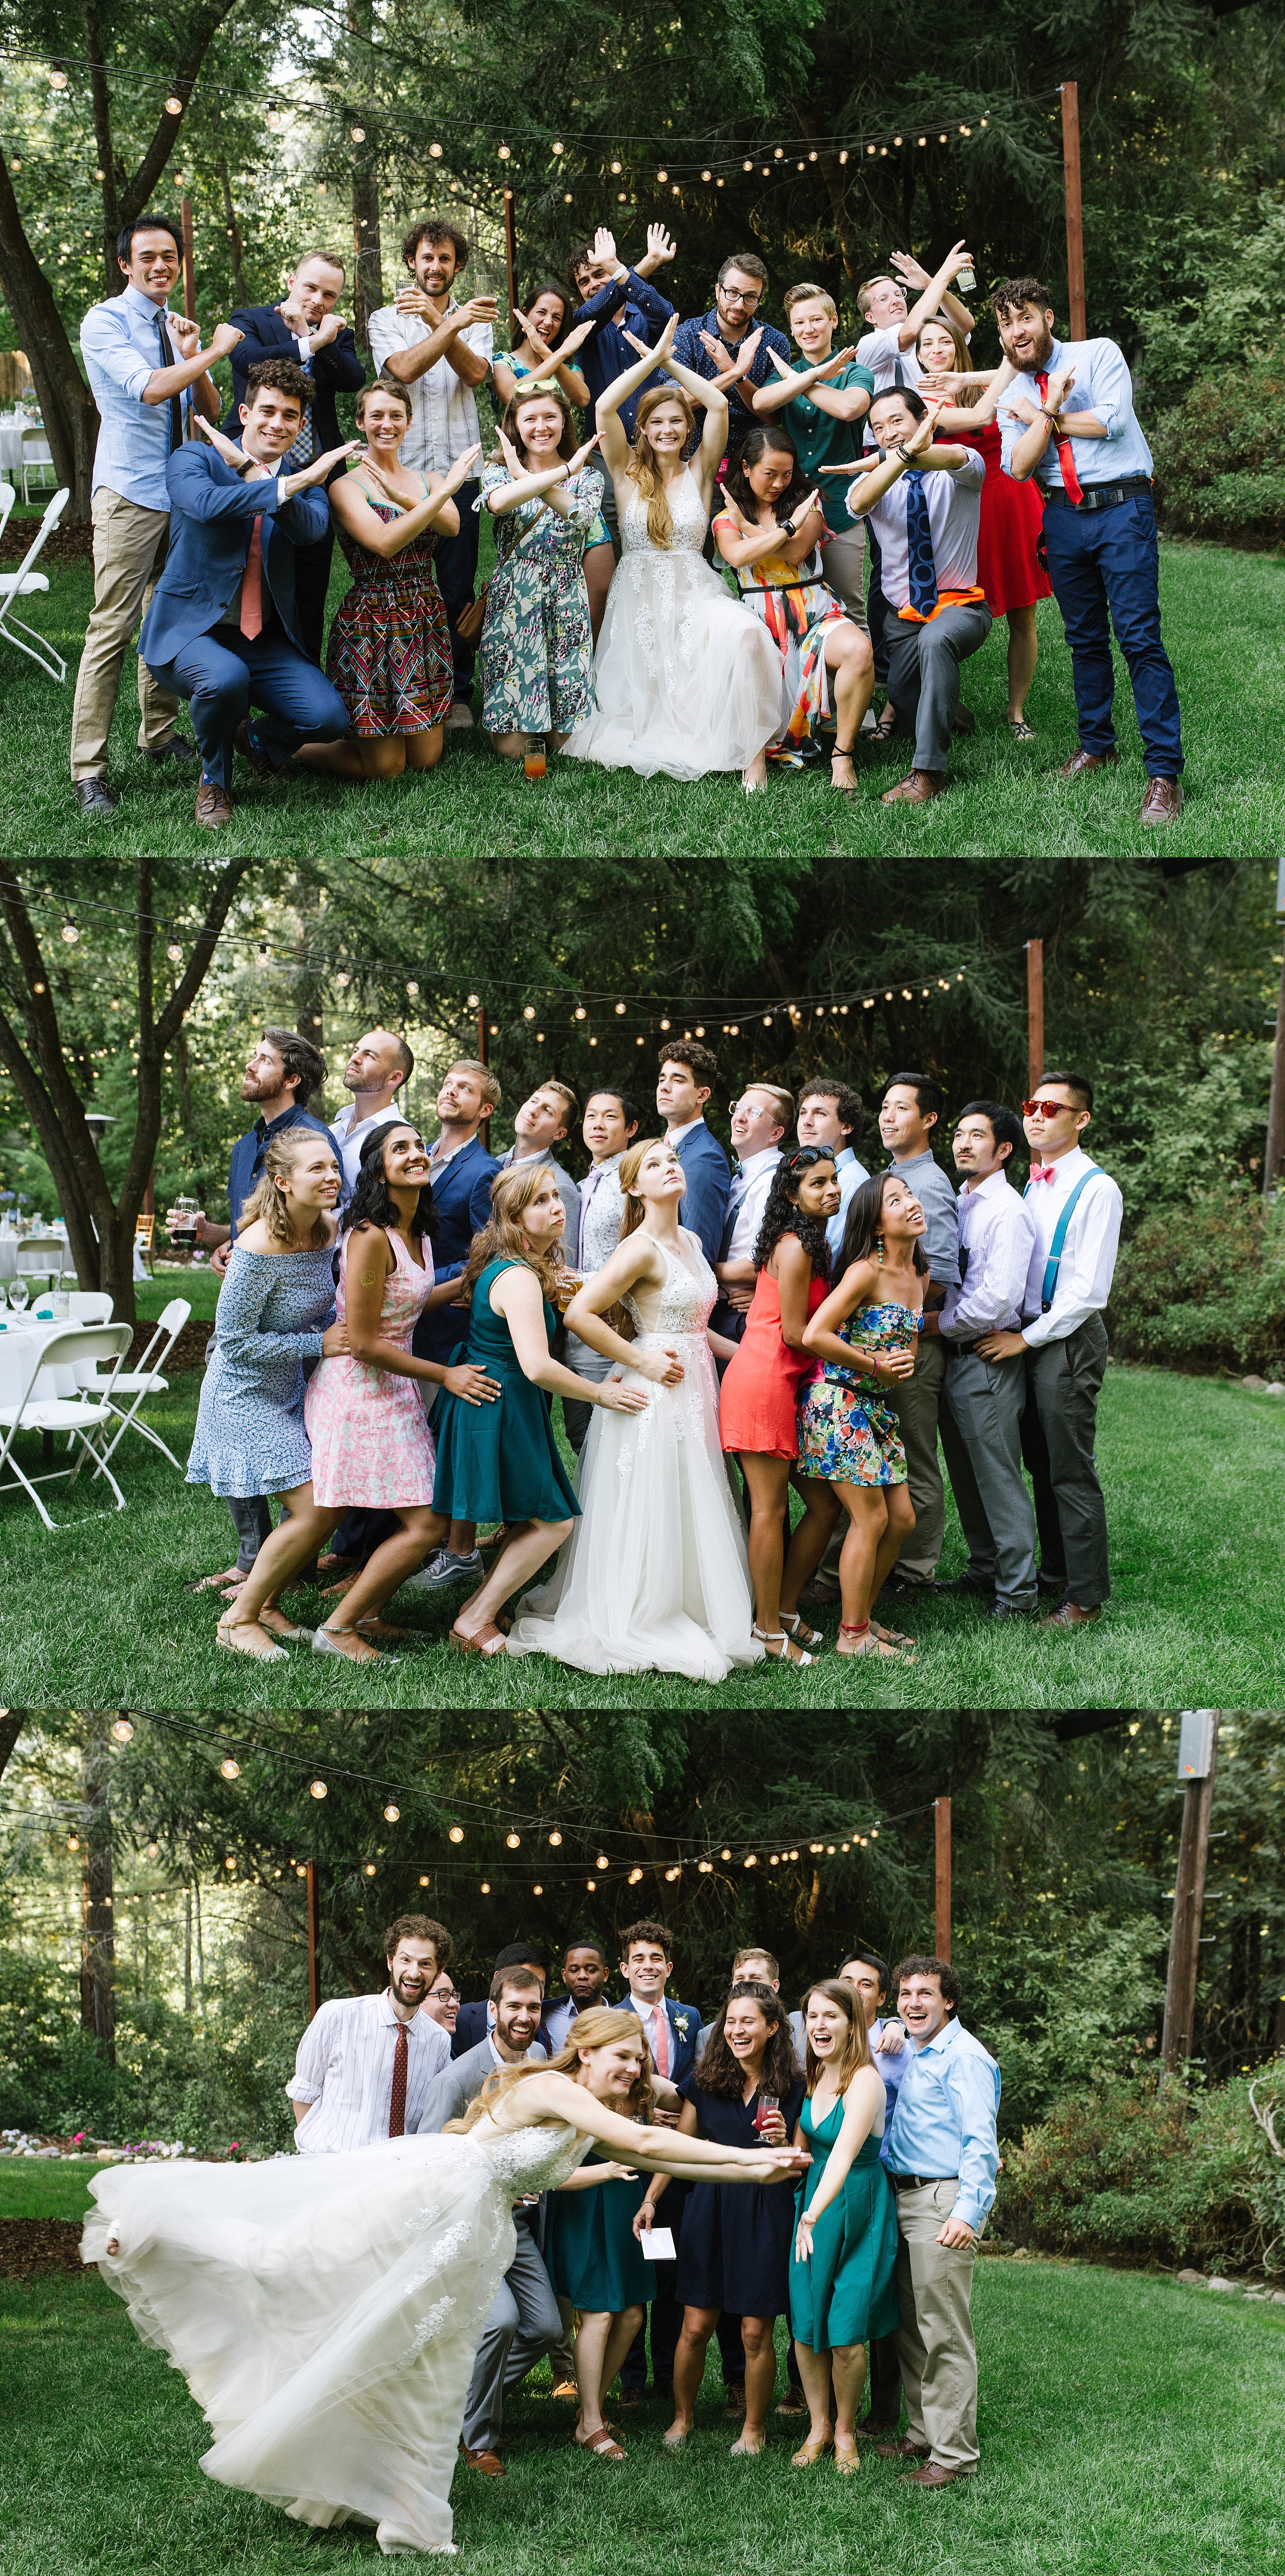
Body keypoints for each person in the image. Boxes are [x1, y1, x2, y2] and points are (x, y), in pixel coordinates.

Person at [83, 2008, 804, 2549]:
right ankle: (155, 2225)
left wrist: (758, 2169)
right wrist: (750, 2161)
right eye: (622, 2056)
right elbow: (650, 2139)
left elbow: (664, 2159)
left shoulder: (588, 2110)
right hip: (427, 2202)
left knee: (416, 2357)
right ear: (584, 2050)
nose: (634, 2071)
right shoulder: (557, 2093)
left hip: (467, 2230)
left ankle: (401, 2507)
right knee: (291, 2262)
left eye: (638, 2061)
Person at [505, 1136, 760, 1682]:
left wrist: (749, 1360)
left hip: (697, 1382)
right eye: (653, 1164)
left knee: (694, 1490)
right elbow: (583, 1314)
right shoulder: (640, 1247)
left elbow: (694, 1328)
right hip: (655, 1386)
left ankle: (696, 1602)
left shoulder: (690, 1239)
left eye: (672, 1160)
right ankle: (643, 1608)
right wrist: (639, 1362)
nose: (668, 1168)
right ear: (632, 1185)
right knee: (656, 1493)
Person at [300, 1122, 502, 1665]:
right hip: (359, 1395)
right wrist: (446, 1375)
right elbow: (364, 1342)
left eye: (419, 1145)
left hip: (395, 1391)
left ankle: (367, 1613)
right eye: (400, 1148)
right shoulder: (369, 1236)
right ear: (376, 1167)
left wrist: (472, 1280)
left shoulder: (419, 1229)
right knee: (429, 1521)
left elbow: (406, 1303)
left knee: (423, 1515)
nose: (416, 1154)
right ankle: (339, 1628)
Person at [430, 1161, 649, 1655]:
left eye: (556, 1197)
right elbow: (536, 1366)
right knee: (556, 1521)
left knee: (537, 1516)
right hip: (501, 1405)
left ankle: (486, 1603)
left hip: (509, 1404)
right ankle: (476, 1618)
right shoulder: (518, 1279)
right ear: (513, 1219)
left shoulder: (526, 1268)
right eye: (541, 1202)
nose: (557, 1209)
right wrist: (600, 1393)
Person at [992, 277, 1184, 826]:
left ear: (1047, 317)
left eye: (1024, 317)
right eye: (1005, 324)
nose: (1016, 331)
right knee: (1083, 639)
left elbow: (1110, 421)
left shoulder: (1098, 353)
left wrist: (1042, 418)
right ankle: (1097, 745)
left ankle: (1163, 774)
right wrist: (1044, 411)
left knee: (1139, 636)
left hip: (1122, 507)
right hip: (1062, 518)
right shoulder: (1014, 393)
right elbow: (1020, 467)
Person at [562, 314, 783, 788]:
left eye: (677, 422)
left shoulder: (701, 470)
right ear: (642, 428)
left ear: (688, 428)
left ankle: (753, 754)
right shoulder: (623, 472)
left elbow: (717, 405)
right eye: (657, 422)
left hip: (694, 596)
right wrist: (650, 365)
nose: (667, 430)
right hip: (639, 604)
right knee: (653, 704)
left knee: (745, 634)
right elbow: (604, 406)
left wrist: (671, 366)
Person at [139, 361, 357, 827]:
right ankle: (214, 782)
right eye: (268, 410)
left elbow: (311, 529)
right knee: (223, 678)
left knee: (328, 719)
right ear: (244, 411)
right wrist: (278, 482)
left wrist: (266, 478)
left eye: (290, 416)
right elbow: (205, 505)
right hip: (189, 631)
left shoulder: (308, 481)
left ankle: (253, 738)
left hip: (261, 640)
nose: (277, 424)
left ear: (301, 424)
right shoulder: (194, 459)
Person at [71, 214, 233, 817]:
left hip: (179, 495)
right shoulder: (106, 320)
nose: (162, 265)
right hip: (130, 493)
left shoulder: (174, 327)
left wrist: (199, 357)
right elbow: (149, 390)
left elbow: (204, 407)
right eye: (148, 257)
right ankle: (89, 771)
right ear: (125, 263)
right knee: (111, 629)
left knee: (166, 620)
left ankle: (159, 735)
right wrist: (215, 348)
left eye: (170, 256)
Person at [185, 1127, 347, 1664]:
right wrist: (318, 1342)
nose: (331, 1176)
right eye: (316, 1169)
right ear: (282, 1181)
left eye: (332, 1165)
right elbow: (232, 1342)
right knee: (314, 1505)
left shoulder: (326, 1229)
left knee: (328, 1504)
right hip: (241, 1395)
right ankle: (238, 1619)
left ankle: (272, 1606)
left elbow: (316, 1304)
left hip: (288, 1389)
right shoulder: (256, 1246)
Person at [972, 1072, 1124, 1631]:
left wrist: (1023, 1339)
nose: (1036, 1115)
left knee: (1068, 1468)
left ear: (1079, 1119)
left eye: (1051, 1108)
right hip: (1030, 1331)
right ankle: (1057, 1573)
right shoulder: (1034, 1182)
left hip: (1065, 1338)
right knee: (1039, 1461)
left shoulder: (1096, 1188)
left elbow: (1087, 1291)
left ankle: (1085, 1599)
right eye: (1030, 1106)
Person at [637, 1982, 805, 2455]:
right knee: (695, 2325)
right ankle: (682, 2416)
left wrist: (777, 2147)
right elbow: (678, 2148)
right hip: (708, 2207)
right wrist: (651, 2199)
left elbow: (797, 2158)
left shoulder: (794, 2085)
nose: (736, 2031)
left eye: (747, 2021)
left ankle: (753, 2428)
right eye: (731, 2022)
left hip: (764, 2208)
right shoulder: (705, 2080)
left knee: (755, 2329)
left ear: (773, 2028)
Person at [292, 377, 478, 782]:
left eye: (396, 415)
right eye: (376, 415)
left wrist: (405, 495)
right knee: (387, 770)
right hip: (374, 621)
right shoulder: (345, 487)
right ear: (361, 422)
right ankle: (278, 744)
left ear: (409, 422)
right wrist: (433, 496)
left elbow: (451, 526)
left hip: (423, 617)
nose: (386, 424)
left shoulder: (427, 478)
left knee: (425, 760)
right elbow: (382, 544)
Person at [418, 1964, 560, 2477]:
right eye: (515, 2006)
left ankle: (461, 2401)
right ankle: (479, 2439)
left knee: (545, 2326)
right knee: (499, 2320)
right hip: (471, 2224)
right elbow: (429, 2161)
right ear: (493, 2010)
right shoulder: (457, 2077)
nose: (525, 2016)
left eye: (534, 2006)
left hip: (519, 2226)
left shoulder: (541, 2060)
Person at [368, 219, 497, 725]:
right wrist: (444, 324)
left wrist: (448, 323)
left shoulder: (477, 318)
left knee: (456, 584)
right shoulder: (386, 318)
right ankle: (400, 686)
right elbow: (401, 371)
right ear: (412, 263)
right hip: (401, 470)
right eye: (427, 258)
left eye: (445, 259)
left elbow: (475, 374)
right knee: (399, 580)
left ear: (457, 265)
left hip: (461, 473)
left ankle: (457, 693)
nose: (435, 267)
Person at [798, 1169, 928, 1661]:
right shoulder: (863, 1272)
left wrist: (898, 1368)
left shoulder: (919, 1273)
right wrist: (874, 1364)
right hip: (836, 1401)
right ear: (877, 1225)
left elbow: (906, 1353)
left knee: (902, 1519)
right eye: (896, 1200)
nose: (911, 1202)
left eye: (910, 1194)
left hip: (875, 1406)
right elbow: (816, 1335)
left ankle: (865, 1618)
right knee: (870, 1519)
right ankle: (851, 1638)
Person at [719, 1149, 842, 1667]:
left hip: (785, 1383)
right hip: (765, 1383)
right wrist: (861, 1358)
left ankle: (786, 1609)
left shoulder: (808, 1242)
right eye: (818, 1183)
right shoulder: (794, 1247)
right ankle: (766, 1629)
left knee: (823, 1505)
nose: (832, 1190)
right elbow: (796, 1333)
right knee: (769, 1510)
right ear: (792, 1195)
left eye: (834, 1180)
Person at [879, 1956, 999, 2486]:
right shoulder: (916, 2049)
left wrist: (966, 2213)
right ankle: (923, 2431)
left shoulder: (965, 2057)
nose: (912, 2002)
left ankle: (952, 2455)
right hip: (902, 2196)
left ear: (947, 1999)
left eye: (924, 1993)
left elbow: (980, 2141)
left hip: (940, 2199)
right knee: (911, 2325)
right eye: (904, 1993)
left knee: (944, 2331)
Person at [840, 387, 990, 804]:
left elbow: (954, 457)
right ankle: (945, 708)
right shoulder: (876, 479)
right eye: (878, 427)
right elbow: (858, 501)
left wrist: (902, 455)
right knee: (905, 703)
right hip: (902, 615)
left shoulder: (963, 464)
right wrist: (890, 463)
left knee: (936, 640)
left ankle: (927, 773)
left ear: (924, 418)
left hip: (963, 608)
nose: (888, 433)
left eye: (897, 421)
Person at [926, 1100, 1040, 1621]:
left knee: (995, 1473)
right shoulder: (961, 1199)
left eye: (976, 1135)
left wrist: (939, 1325)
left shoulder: (1007, 1210)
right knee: (966, 1471)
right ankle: (984, 1567)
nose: (963, 1143)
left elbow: (998, 1298)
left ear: (1004, 1149)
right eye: (959, 1132)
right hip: (954, 1355)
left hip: (984, 1355)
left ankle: (1017, 1593)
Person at [224, 248, 367, 664]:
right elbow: (248, 362)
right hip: (251, 471)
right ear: (291, 281)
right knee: (246, 575)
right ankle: (243, 683)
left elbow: (351, 378)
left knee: (310, 584)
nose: (319, 300)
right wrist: (309, 343)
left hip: (315, 475)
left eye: (330, 295)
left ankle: (302, 682)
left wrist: (316, 336)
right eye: (310, 287)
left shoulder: (336, 333)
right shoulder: (249, 320)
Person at [712, 430, 874, 786]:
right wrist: (777, 528)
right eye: (769, 473)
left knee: (859, 650)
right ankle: (754, 759)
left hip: (814, 608)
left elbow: (796, 554)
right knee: (745, 649)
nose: (779, 483)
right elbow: (737, 555)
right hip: (760, 617)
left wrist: (753, 528)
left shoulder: (807, 503)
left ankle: (842, 756)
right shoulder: (726, 517)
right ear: (746, 467)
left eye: (787, 473)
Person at [913, 315, 1048, 739]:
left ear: (957, 346)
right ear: (916, 356)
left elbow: (1026, 365)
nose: (935, 350)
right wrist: (959, 385)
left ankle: (1016, 712)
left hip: (1013, 501)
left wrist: (964, 377)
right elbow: (975, 419)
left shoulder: (978, 384)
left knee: (1024, 614)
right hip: (963, 512)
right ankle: (942, 702)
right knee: (947, 612)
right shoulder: (919, 400)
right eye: (926, 345)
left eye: (944, 342)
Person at [853, 244, 977, 697]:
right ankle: (891, 678)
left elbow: (963, 327)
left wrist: (930, 282)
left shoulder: (924, 336)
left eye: (897, 293)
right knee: (889, 566)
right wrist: (943, 274)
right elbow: (905, 335)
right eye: (883, 298)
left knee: (938, 553)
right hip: (889, 464)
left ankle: (932, 654)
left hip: (937, 455)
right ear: (869, 316)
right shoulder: (873, 345)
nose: (895, 299)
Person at [787, 1978, 900, 2473]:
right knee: (807, 2328)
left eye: (830, 2016)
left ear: (853, 2023)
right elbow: (806, 2151)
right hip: (811, 2209)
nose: (818, 2025)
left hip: (858, 2209)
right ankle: (818, 2426)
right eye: (812, 2016)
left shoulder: (866, 2081)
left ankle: (846, 2430)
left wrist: (815, 2210)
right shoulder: (814, 2077)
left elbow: (843, 2156)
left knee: (847, 2332)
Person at [477, 387, 605, 758]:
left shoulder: (588, 478)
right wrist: (557, 471)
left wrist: (556, 474)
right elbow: (499, 503)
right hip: (515, 596)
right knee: (515, 750)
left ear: (564, 422)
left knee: (570, 748)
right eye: (530, 419)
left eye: (550, 417)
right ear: (516, 427)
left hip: (566, 595)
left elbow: (580, 516)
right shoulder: (498, 472)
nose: (541, 427)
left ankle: (559, 720)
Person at [874, 1073, 960, 1600]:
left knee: (914, 1457)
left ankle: (915, 1573)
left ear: (927, 1120)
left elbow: (943, 1272)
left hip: (913, 1347)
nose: (888, 1116)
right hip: (881, 1345)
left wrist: (899, 1324)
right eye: (884, 1106)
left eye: (900, 1108)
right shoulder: (895, 1174)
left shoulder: (925, 1184)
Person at [489, 290, 617, 644]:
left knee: (598, 600)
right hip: (525, 468)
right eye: (541, 313)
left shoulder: (569, 367)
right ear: (525, 313)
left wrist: (550, 353)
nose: (547, 322)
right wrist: (559, 351)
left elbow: (583, 397)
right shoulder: (502, 360)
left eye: (557, 317)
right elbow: (517, 393)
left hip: (572, 471)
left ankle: (593, 674)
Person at [613, 1923, 702, 2407]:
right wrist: (648, 2113)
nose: (648, 1965)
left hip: (674, 2164)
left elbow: (695, 2080)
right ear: (625, 1969)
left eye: (656, 1958)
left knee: (668, 2271)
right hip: (628, 2160)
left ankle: (667, 2372)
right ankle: (630, 2379)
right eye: (638, 1958)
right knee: (633, 2269)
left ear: (669, 1967)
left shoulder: (689, 2017)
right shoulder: (611, 2019)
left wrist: (680, 2117)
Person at [751, 283, 874, 622]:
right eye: (800, 323)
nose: (808, 329)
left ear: (834, 320)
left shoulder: (855, 372)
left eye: (816, 319)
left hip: (840, 505)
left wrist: (801, 380)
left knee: (849, 607)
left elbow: (850, 408)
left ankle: (864, 675)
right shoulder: (783, 373)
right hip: (790, 508)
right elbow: (761, 402)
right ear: (791, 329)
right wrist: (812, 374)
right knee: (794, 608)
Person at [285, 1915, 453, 2150]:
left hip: (396, 2174)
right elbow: (304, 2092)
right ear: (390, 1962)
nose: (414, 1973)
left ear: (438, 1972)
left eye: (425, 1964)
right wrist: (314, 2159)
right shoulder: (337, 2016)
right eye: (405, 1960)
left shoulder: (439, 2042)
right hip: (333, 2170)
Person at [565, 223, 678, 555]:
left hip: (656, 444)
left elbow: (665, 313)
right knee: (614, 525)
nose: (592, 285)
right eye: (583, 281)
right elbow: (590, 311)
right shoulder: (583, 325)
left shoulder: (646, 317)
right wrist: (643, 265)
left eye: (599, 273)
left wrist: (625, 272)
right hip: (604, 452)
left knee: (663, 523)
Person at [834, 1948, 910, 2439]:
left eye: (866, 1983)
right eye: (846, 1979)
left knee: (882, 2292)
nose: (855, 1988)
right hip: (824, 2182)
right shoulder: (818, 2039)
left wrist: (902, 2028)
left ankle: (883, 2407)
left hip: (881, 2183)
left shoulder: (898, 2049)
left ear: (881, 1997)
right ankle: (809, 2395)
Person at [561, 1088, 640, 1453]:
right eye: (592, 1115)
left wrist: (590, 1288)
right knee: (580, 1436)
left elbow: (642, 1255)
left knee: (604, 1437)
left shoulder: (632, 1185)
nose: (598, 1124)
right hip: (573, 1324)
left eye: (610, 1116)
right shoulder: (581, 1186)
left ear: (630, 1128)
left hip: (612, 1323)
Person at [671, 250, 791, 452]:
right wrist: (735, 372)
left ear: (760, 300)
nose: (739, 305)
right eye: (733, 293)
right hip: (693, 455)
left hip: (753, 460)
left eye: (750, 297)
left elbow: (774, 417)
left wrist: (737, 376)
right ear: (719, 290)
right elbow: (676, 402)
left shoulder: (775, 342)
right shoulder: (687, 334)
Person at [710, 1082, 792, 1340]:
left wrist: (698, 1268)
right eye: (739, 1108)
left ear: (776, 1133)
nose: (740, 1116)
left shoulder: (773, 1181)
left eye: (754, 1112)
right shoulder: (740, 1177)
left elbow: (760, 1264)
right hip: (728, 1309)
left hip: (740, 1318)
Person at [655, 1041, 730, 1265]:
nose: (664, 1087)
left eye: (677, 1080)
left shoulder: (706, 1158)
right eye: (662, 1079)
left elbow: (700, 1255)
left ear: (702, 1095)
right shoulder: (661, 1146)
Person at [329, 1027, 414, 1193]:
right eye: (356, 1050)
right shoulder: (333, 1130)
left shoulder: (402, 1140)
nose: (354, 1058)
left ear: (394, 1077)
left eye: (369, 1056)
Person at [493, 1080, 581, 1236]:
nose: (533, 1110)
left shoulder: (560, 1187)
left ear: (559, 1134)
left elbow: (562, 1258)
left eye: (547, 1110)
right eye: (534, 1101)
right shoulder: (496, 1164)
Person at [453, 1943, 549, 2057]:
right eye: (522, 1980)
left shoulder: (539, 2029)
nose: (524, 2018)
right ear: (498, 1977)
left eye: (539, 1984)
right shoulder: (460, 2019)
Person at [544, 1938, 612, 2054]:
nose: (582, 1976)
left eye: (591, 1970)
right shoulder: (546, 2016)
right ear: (564, 1976)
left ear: (605, 1975)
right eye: (574, 1970)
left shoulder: (619, 2020)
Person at [420, 1969, 460, 2038]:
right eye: (443, 1995)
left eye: (454, 1996)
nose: (454, 2003)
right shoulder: (403, 2045)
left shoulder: (446, 2046)